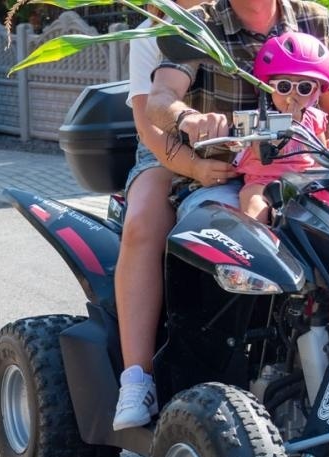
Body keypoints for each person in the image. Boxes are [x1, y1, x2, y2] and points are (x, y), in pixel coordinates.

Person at [113, 0, 329, 428]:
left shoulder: (315, 19)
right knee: (150, 224)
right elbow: (157, 105)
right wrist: (190, 131)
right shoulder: (195, 25)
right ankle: (145, 378)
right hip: (200, 162)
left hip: (298, 167)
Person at [113, 15, 236, 431]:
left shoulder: (237, 15)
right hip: (171, 151)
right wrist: (195, 166)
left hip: (251, 147)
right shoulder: (155, 30)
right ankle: (137, 377)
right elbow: (148, 124)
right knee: (145, 221)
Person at [236, 32, 329, 224]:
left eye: (304, 88)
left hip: (304, 179)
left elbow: (320, 155)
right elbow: (259, 152)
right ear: (267, 87)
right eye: (283, 87)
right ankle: (259, 246)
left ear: (314, 92)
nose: (293, 95)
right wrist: (285, 123)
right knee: (254, 206)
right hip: (262, 180)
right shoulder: (261, 118)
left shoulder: (314, 118)